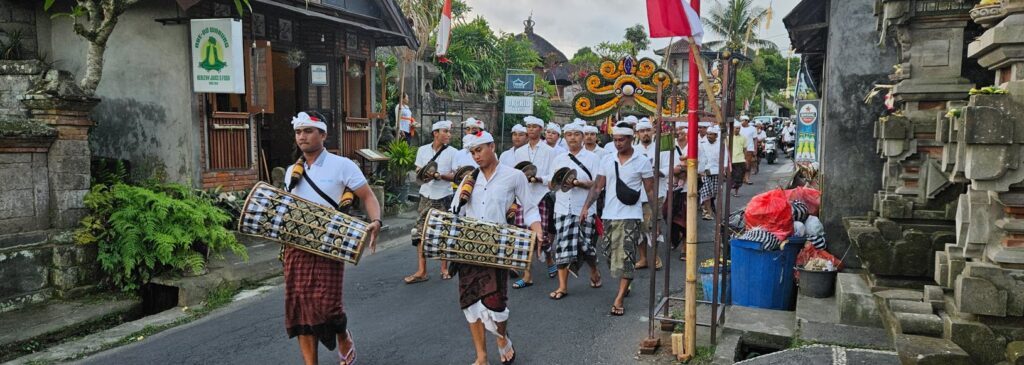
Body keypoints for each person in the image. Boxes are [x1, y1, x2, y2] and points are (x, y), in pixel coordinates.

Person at [283, 112, 382, 365]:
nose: (302, 136)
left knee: (329, 307)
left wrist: (376, 221)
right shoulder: (291, 172)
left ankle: (342, 333)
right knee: (300, 310)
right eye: (298, 132)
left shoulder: (343, 165)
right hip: (297, 247)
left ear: (323, 135)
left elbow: (368, 196)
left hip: (330, 246)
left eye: (308, 131)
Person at [451, 131, 542, 365]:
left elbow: (530, 207)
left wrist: (537, 229)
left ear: (492, 146)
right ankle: (481, 356)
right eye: (472, 152)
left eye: (479, 150)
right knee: (470, 303)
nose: (476, 156)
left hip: (498, 247)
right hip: (469, 248)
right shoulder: (469, 179)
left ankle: (501, 337)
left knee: (496, 303)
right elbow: (455, 213)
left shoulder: (514, 176)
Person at [580, 122, 657, 317]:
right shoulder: (607, 160)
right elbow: (598, 187)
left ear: (632, 139)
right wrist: (586, 207)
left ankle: (619, 297)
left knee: (627, 256)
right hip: (609, 214)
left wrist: (656, 215)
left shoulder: (642, 161)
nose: (618, 143)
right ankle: (625, 281)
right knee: (608, 252)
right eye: (615, 140)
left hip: (631, 215)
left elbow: (649, 189)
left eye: (621, 140)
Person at [548, 123, 602, 300]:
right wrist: (556, 182)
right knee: (561, 246)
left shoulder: (593, 158)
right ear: (565, 137)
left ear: (582, 136)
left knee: (586, 247)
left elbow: (598, 184)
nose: (572, 138)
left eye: (576, 134)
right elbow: (552, 182)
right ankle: (562, 286)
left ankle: (594, 270)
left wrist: (578, 183)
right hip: (562, 208)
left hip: (584, 208)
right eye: (569, 134)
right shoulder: (559, 158)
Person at [405, 120, 456, 284]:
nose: (448, 134)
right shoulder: (422, 150)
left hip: (444, 196)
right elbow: (418, 170)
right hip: (426, 195)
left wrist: (439, 175)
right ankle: (422, 270)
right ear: (435, 133)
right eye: (445, 131)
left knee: (444, 232)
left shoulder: (454, 152)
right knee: (419, 232)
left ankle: (444, 268)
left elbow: (456, 175)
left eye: (449, 132)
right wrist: (426, 173)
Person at [512, 115, 557, 288]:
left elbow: (553, 176)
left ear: (541, 129)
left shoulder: (549, 151)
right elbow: (516, 173)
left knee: (542, 236)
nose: (530, 130)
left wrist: (539, 179)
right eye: (528, 127)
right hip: (523, 197)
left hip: (541, 196)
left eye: (534, 127)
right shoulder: (520, 152)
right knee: (524, 235)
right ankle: (528, 275)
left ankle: (549, 258)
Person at [632, 119, 663, 270]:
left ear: (653, 131)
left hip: (655, 193)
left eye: (647, 130)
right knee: (639, 228)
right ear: (637, 133)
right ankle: (643, 258)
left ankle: (655, 256)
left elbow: (669, 169)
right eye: (642, 131)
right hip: (637, 195)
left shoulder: (660, 148)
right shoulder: (632, 150)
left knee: (652, 226)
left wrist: (652, 171)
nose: (645, 133)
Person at [662, 122, 689, 260]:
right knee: (667, 213)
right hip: (670, 187)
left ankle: (685, 247)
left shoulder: (695, 146)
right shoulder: (668, 144)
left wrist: (683, 170)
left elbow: (700, 166)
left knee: (686, 219)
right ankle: (675, 236)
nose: (679, 132)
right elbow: (662, 164)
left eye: (682, 130)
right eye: (677, 130)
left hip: (688, 189)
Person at [698, 126, 722, 220]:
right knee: (705, 192)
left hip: (716, 171)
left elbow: (724, 158)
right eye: (708, 134)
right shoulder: (702, 144)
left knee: (714, 192)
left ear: (716, 135)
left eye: (711, 134)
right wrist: (700, 171)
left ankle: (711, 207)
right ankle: (708, 212)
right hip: (705, 171)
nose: (709, 136)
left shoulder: (721, 144)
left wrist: (724, 169)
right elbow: (701, 158)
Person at [729, 121, 749, 198]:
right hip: (731, 161)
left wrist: (745, 159)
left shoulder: (743, 138)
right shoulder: (728, 137)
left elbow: (745, 149)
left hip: (740, 160)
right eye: (736, 128)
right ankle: (730, 190)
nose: (737, 130)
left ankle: (736, 192)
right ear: (733, 128)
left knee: (739, 177)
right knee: (731, 177)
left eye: (739, 128)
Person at [738, 116, 757, 185]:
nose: (741, 122)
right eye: (741, 120)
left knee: (748, 164)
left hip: (749, 148)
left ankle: (747, 178)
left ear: (747, 121)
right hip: (739, 149)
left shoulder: (753, 129)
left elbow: (755, 139)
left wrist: (755, 149)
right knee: (740, 164)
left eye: (743, 120)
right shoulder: (739, 128)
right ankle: (741, 178)